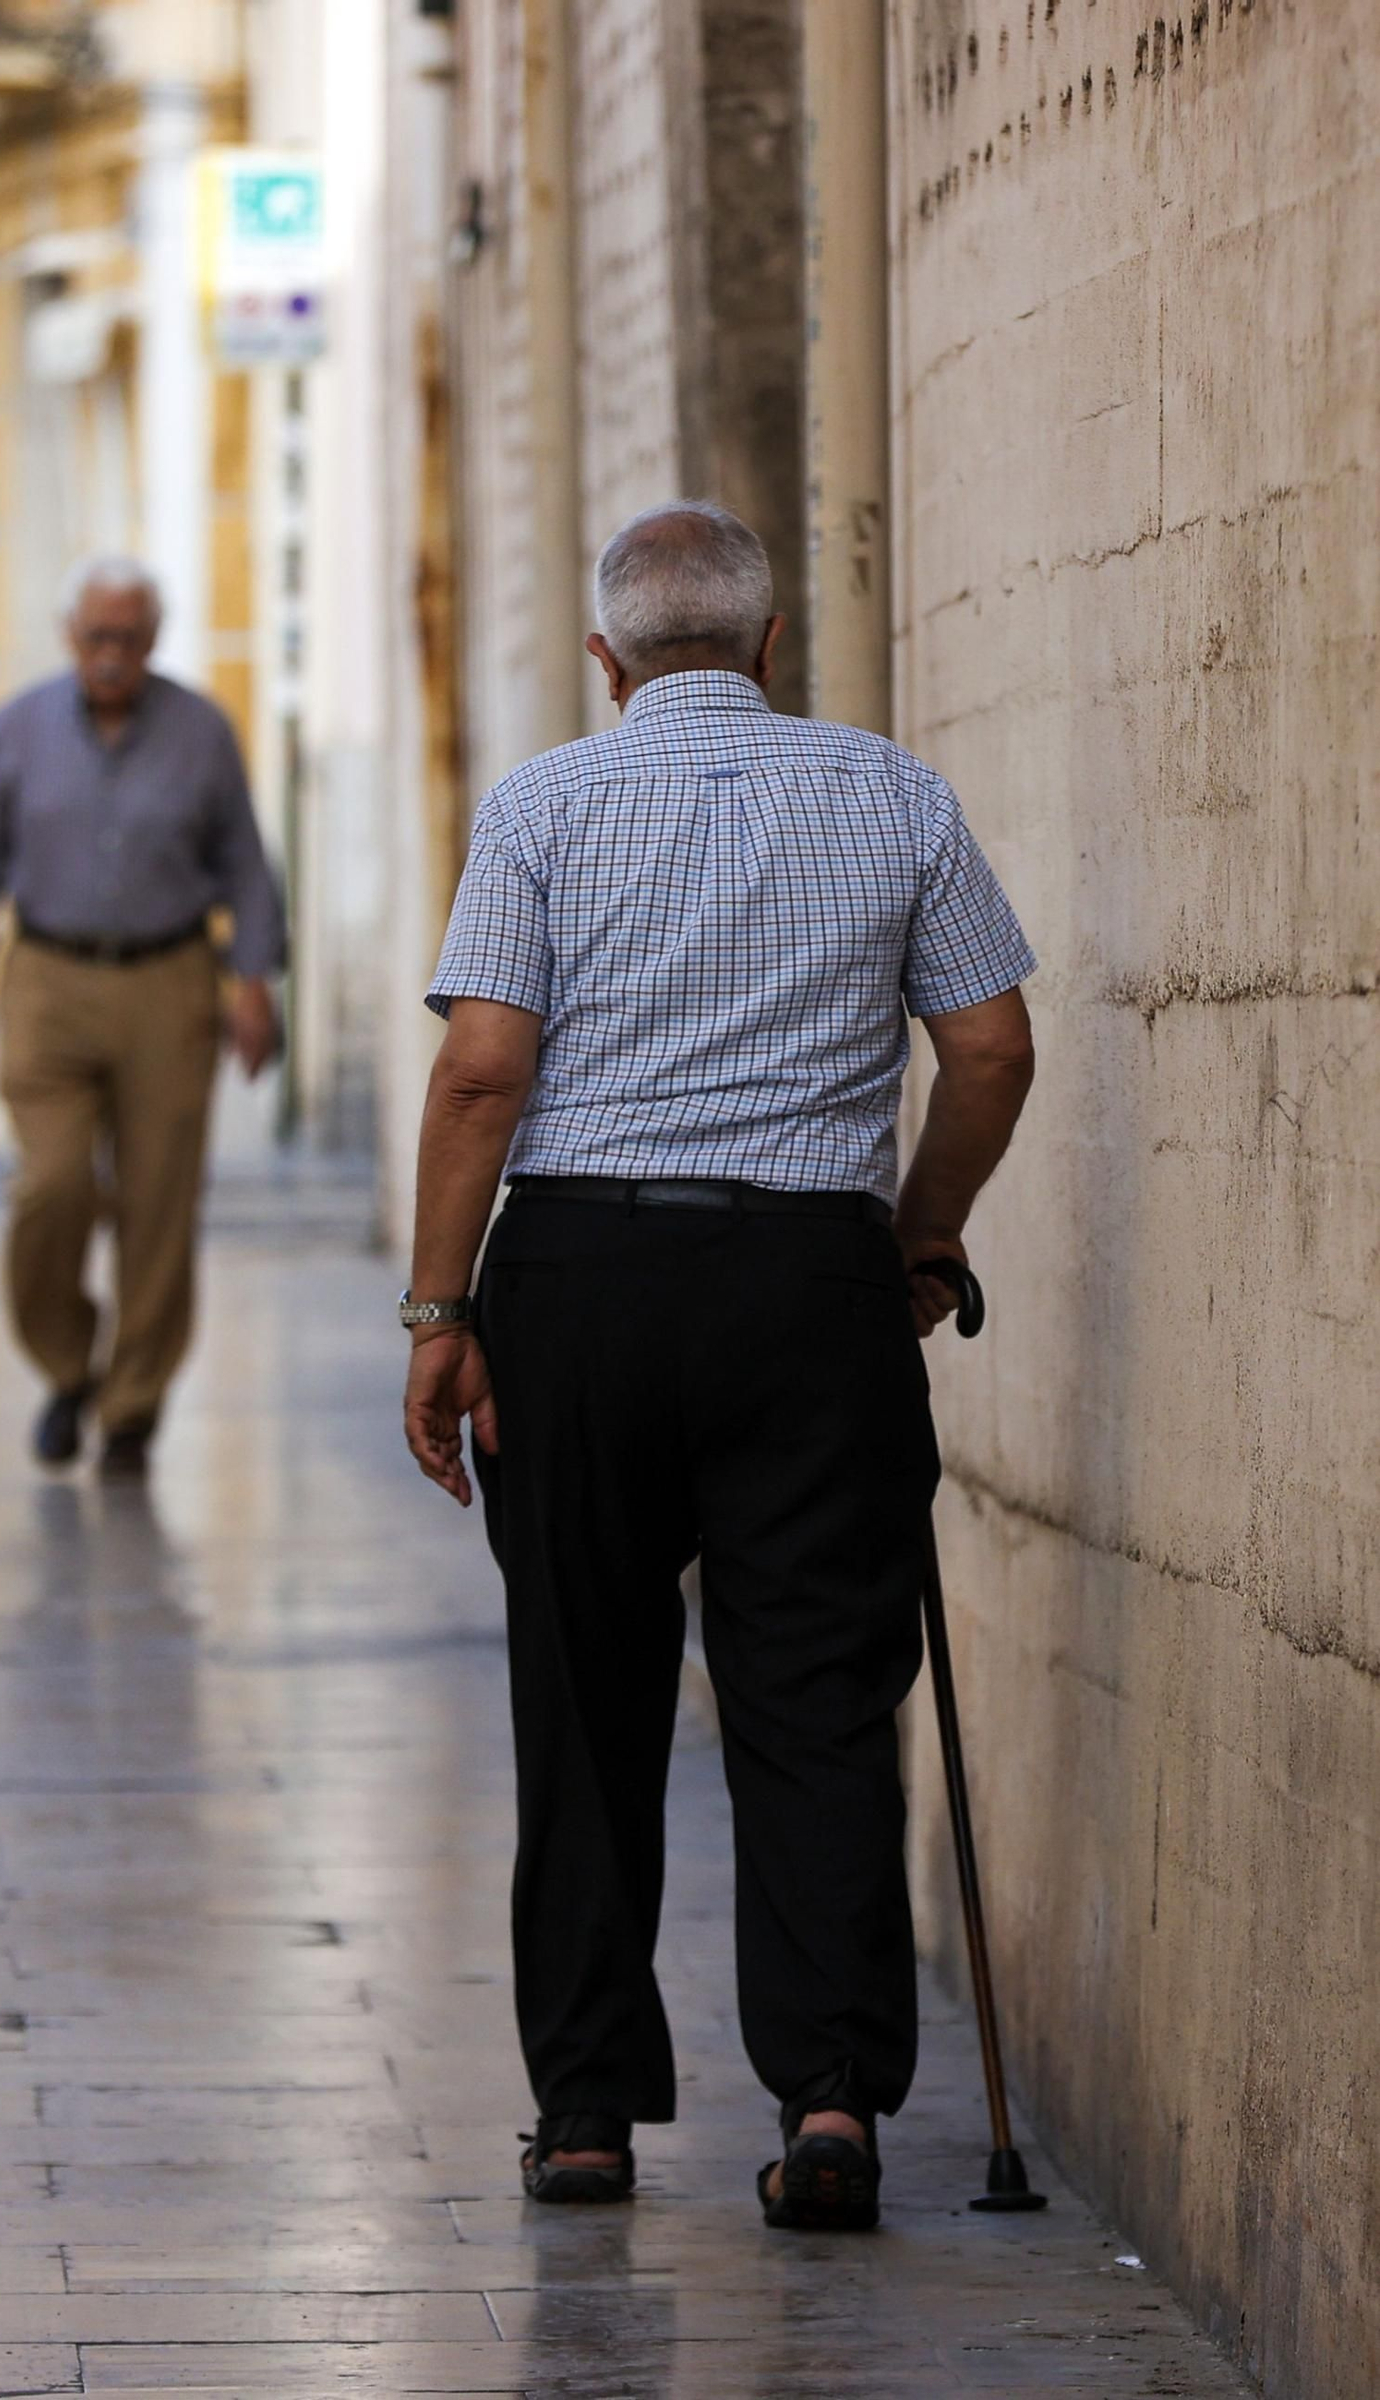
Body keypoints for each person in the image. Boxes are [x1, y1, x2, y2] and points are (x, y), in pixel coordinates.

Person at [402, 501, 1036, 2231]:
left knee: (589, 1705)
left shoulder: (541, 804)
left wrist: (438, 1315)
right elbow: (989, 1046)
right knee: (817, 1696)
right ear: (769, 649)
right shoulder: (893, 792)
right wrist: (918, 1230)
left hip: (580, 1284)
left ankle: (591, 2119)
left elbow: (479, 1079)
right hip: (805, 1287)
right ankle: (830, 2110)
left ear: (608, 662)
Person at [0, 557, 287, 1479]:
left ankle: (131, 1406)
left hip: (169, 981)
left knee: (159, 1204)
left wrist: (254, 985)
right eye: (96, 637)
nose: (110, 655)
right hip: (47, 979)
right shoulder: (15, 731)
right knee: (50, 1185)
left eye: (128, 639)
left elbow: (247, 866)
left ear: (152, 640)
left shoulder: (201, 733)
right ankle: (65, 1366)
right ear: (70, 637)